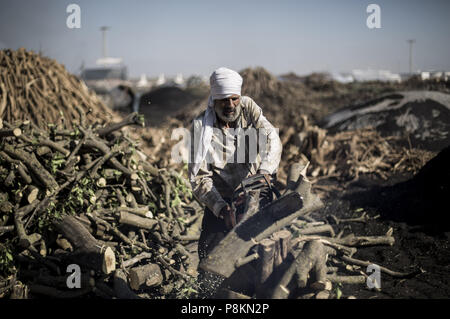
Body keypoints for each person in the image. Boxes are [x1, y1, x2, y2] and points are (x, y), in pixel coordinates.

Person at [188, 67, 282, 263]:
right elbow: (198, 177)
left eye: (234, 99)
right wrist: (222, 209)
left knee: (264, 251)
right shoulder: (201, 127)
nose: (230, 105)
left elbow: (272, 138)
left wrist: (264, 174)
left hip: (255, 190)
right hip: (221, 198)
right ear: (214, 101)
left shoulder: (248, 108)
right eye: (224, 100)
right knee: (210, 256)